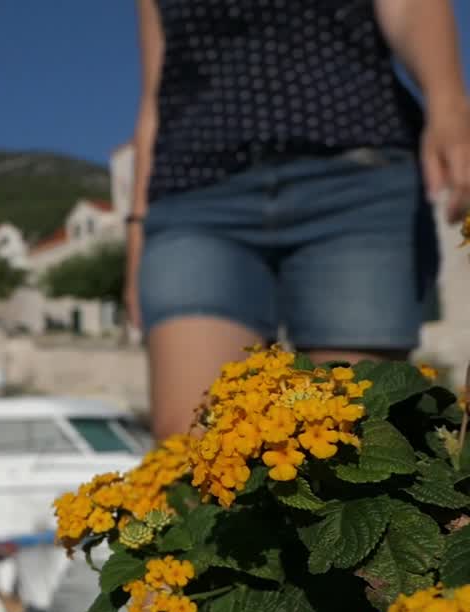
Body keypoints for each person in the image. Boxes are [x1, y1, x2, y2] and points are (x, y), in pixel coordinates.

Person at [127, 0, 470, 441]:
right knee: (192, 440)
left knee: (357, 426)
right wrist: (137, 231)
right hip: (193, 192)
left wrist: (447, 101)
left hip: (354, 172)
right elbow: (155, 96)